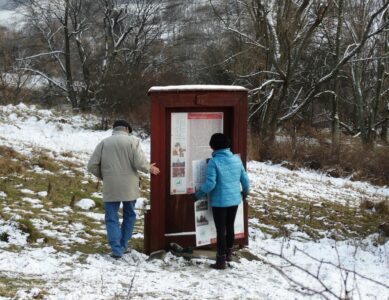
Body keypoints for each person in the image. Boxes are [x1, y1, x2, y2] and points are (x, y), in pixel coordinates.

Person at [88, 120, 160, 259]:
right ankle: (123, 244)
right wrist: (150, 168)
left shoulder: (104, 143)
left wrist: (104, 176)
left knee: (111, 217)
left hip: (111, 186)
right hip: (129, 186)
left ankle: (116, 249)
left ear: (114, 129)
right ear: (127, 129)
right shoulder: (133, 141)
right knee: (129, 215)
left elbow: (91, 165)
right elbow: (139, 163)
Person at [194, 133, 249, 269]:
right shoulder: (236, 160)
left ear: (213, 146)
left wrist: (198, 194)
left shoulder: (214, 162)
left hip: (220, 202)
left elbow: (210, 184)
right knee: (230, 227)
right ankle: (229, 254)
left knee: (221, 230)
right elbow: (245, 180)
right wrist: (245, 192)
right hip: (235, 199)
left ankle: (220, 261)